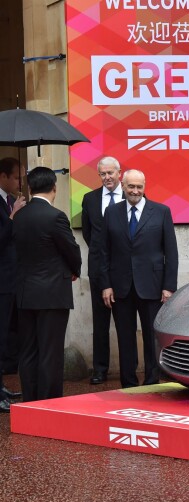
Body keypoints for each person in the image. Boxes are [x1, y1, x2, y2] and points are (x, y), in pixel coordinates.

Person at [101, 169, 178, 388]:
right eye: (131, 186)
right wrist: (105, 285)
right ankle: (129, 383)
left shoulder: (161, 212)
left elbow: (171, 253)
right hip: (120, 287)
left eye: (139, 187)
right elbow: (103, 252)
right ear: (122, 186)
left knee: (151, 337)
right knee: (125, 338)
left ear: (145, 187)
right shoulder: (112, 212)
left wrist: (168, 287)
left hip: (152, 287)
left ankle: (152, 381)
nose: (135, 191)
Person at [12, 167, 82, 402]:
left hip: (24, 293)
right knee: (50, 352)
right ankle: (49, 403)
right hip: (52, 293)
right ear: (54, 187)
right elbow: (71, 249)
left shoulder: (18, 216)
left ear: (30, 189)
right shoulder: (56, 216)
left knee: (29, 351)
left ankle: (30, 401)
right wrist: (74, 270)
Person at [81, 156, 123, 385]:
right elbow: (89, 235)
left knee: (125, 323)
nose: (107, 177)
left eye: (110, 173)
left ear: (119, 173)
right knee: (100, 324)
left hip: (125, 272)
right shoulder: (90, 199)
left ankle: (128, 368)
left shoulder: (132, 195)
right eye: (103, 174)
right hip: (98, 271)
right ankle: (100, 369)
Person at [0, 157, 26, 412]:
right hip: (2, 281)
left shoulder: (8, 200)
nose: (20, 182)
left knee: (7, 337)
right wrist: (13, 216)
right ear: (4, 176)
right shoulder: (6, 205)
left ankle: (2, 387)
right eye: (17, 177)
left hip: (13, 279)